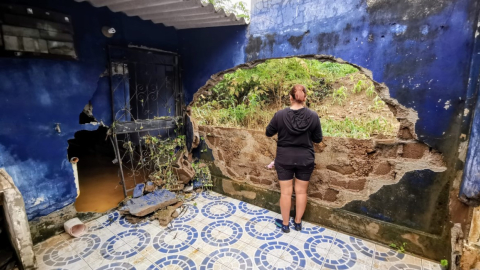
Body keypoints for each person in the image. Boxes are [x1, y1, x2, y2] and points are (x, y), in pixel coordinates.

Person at [265, 84, 323, 233]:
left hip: (284, 159)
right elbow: (317, 139)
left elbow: (268, 132)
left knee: (285, 193)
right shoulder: (313, 116)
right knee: (301, 192)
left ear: (290, 98)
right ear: (305, 98)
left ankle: (285, 225)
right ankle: (297, 223)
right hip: (305, 159)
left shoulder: (279, 115)